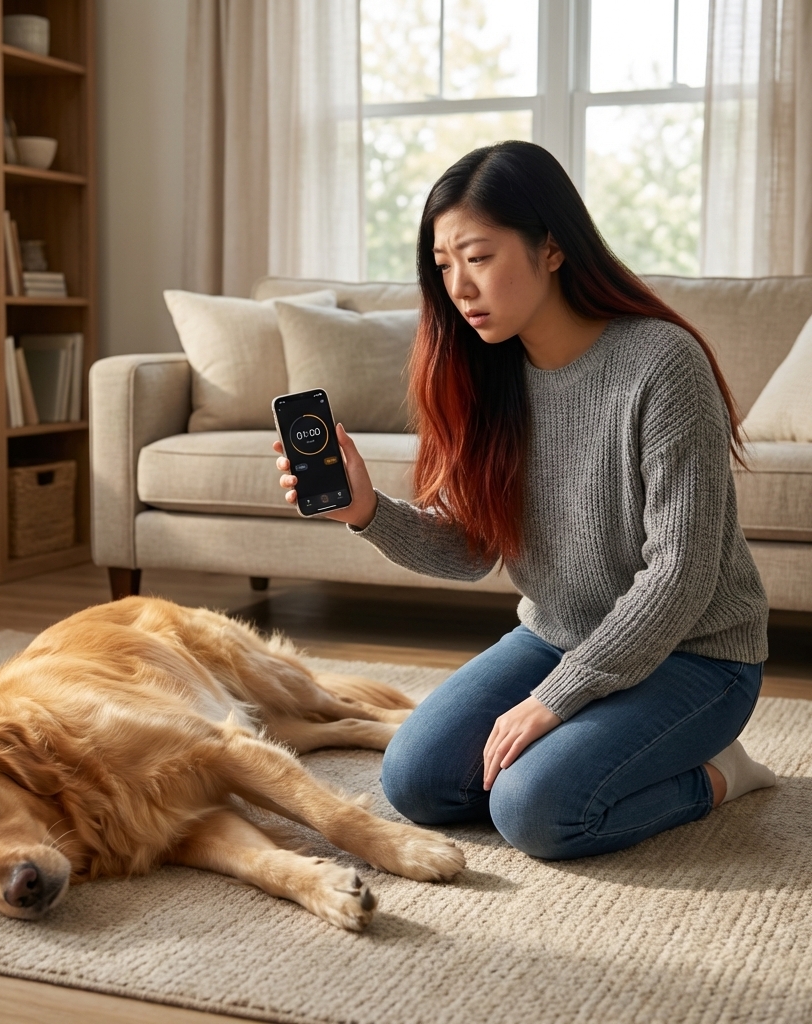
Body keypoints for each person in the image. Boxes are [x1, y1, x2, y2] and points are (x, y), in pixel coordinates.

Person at [273, 141, 776, 860]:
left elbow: (680, 576)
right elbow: (473, 550)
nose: (460, 286)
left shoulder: (662, 364)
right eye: (444, 266)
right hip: (556, 633)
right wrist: (366, 510)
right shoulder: (489, 373)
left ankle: (723, 772)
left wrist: (555, 700)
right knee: (415, 781)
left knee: (534, 810)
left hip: (698, 656)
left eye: (477, 257)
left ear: (551, 248)